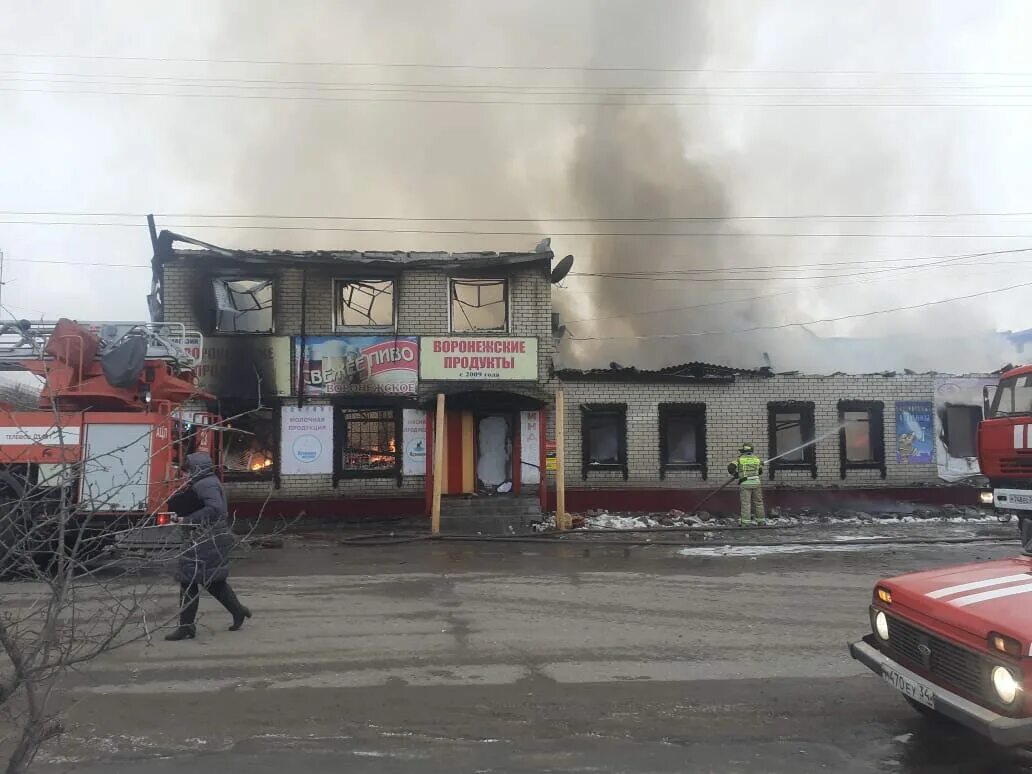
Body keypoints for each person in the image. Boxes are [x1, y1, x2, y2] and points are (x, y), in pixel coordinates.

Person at [165, 451, 252, 641]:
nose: (185, 475)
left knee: (189, 580)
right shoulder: (206, 482)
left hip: (206, 537)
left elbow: (216, 509)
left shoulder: (205, 484)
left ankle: (186, 627)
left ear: (196, 469)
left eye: (187, 471)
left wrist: (188, 519)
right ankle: (238, 611)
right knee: (212, 580)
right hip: (209, 536)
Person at [728, 443, 765, 526]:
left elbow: (730, 467)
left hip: (745, 483)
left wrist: (735, 474)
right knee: (759, 502)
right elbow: (760, 472)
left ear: (744, 451)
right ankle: (761, 521)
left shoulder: (739, 459)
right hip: (756, 483)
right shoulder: (757, 459)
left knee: (746, 504)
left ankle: (745, 523)